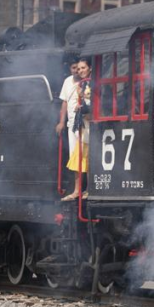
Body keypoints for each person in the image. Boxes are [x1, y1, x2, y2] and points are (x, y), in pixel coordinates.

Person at [63, 58, 92, 201]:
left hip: (90, 126)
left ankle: (88, 189)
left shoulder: (92, 83)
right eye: (78, 68)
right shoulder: (82, 84)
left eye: (83, 68)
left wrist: (83, 107)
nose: (80, 71)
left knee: (87, 157)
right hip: (81, 126)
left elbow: (95, 103)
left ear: (90, 68)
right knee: (80, 157)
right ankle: (78, 190)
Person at [56, 60, 81, 160]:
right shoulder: (67, 81)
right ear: (70, 69)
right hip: (71, 123)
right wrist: (61, 122)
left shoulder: (86, 81)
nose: (76, 70)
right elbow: (64, 102)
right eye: (74, 68)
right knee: (74, 156)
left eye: (78, 68)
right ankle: (77, 177)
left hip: (83, 123)